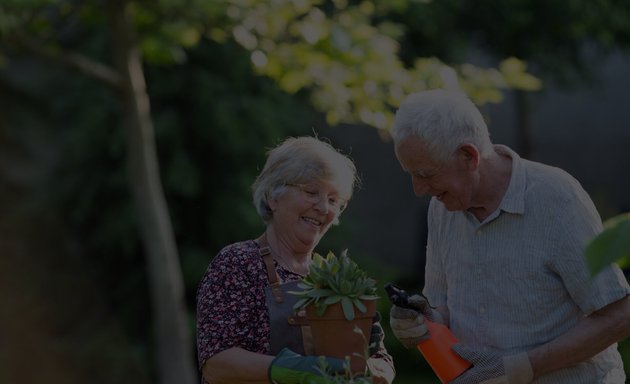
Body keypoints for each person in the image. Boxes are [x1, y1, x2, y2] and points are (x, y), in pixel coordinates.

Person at [388, 89, 630, 383]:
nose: (418, 189)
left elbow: (619, 315)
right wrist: (424, 320)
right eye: (411, 174)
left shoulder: (555, 198)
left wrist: (524, 367)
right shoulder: (442, 208)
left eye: (426, 174)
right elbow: (443, 309)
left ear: (469, 156)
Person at [196, 136, 395, 383]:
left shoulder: (337, 278)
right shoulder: (238, 263)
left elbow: (383, 361)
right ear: (273, 197)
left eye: (333, 200)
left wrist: (368, 371)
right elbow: (216, 364)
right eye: (312, 192)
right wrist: (291, 368)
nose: (323, 207)